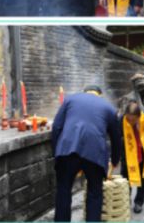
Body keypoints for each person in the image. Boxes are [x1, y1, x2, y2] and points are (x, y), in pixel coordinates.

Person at [52, 86, 122, 223]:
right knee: (95, 194)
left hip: (67, 150)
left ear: (84, 92)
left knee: (63, 191)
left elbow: (56, 127)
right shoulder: (109, 109)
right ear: (99, 95)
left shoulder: (70, 99)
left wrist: (56, 152)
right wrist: (114, 160)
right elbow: (116, 138)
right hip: (94, 153)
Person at [120, 100, 144, 213]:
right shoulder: (121, 119)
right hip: (128, 154)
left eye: (133, 120)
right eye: (128, 119)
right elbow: (117, 136)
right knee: (125, 178)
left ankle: (139, 202)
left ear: (139, 116)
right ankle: (126, 200)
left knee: (143, 178)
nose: (130, 122)